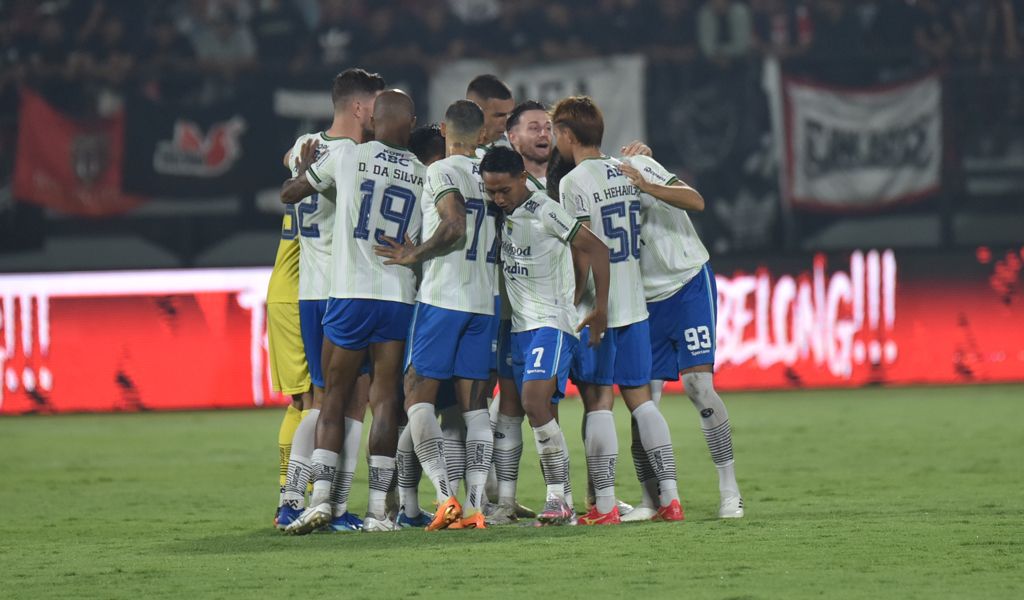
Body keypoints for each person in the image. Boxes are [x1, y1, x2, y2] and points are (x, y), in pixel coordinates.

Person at [286, 90, 425, 534]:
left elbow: (292, 193)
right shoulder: (423, 173)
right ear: (411, 123)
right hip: (398, 295)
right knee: (384, 401)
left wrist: (304, 171)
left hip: (349, 293)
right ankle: (378, 512)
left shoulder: (347, 156)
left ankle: (320, 501)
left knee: (333, 396)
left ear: (373, 120)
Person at [552, 96, 684, 525]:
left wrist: (577, 297)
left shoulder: (573, 182)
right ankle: (671, 499)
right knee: (642, 402)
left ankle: (605, 506)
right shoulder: (625, 171)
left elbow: (584, 248)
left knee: (598, 402)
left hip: (599, 309)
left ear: (567, 135)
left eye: (556, 132)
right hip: (636, 304)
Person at [375, 100, 497, 531]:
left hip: (444, 298)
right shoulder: (491, 173)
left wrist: (415, 254)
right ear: (482, 135)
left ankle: (446, 498)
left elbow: (454, 224)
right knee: (475, 408)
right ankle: (476, 506)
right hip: (485, 301)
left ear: (444, 129)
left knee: (416, 398)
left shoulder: (441, 171)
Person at [275, 68, 385, 532]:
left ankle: (297, 501)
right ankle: (328, 506)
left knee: (325, 400)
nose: (383, 114)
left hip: (311, 291)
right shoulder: (352, 156)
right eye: (377, 105)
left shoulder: (306, 144)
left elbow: (290, 162)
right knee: (347, 402)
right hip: (340, 291)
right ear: (359, 107)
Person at [480, 146, 611, 525]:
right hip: (517, 326)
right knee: (523, 409)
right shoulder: (501, 212)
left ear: (523, 178)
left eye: (504, 190)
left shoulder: (545, 210)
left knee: (534, 403)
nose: (497, 198)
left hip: (551, 323)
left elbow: (596, 248)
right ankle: (536, 503)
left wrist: (598, 307)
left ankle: (558, 498)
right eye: (491, 191)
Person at [618, 137, 744, 522]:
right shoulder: (577, 188)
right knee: (643, 403)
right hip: (643, 299)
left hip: (688, 282)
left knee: (698, 386)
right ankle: (650, 499)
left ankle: (730, 491)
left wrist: (647, 185)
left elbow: (696, 200)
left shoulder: (635, 167)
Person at [467, 74, 514, 156]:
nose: (507, 123)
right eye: (499, 115)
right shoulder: (446, 150)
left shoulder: (515, 150)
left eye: (509, 114)